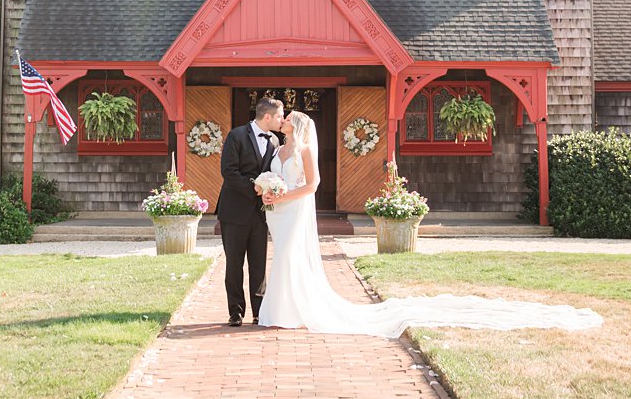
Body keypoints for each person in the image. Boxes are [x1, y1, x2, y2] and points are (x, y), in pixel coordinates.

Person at [256, 110, 604, 338]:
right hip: (280, 213)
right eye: (283, 118)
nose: (283, 119)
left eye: (288, 119)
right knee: (282, 258)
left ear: (297, 127)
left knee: (290, 257)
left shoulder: (303, 151)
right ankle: (280, 309)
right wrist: (269, 191)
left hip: (296, 209)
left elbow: (313, 185)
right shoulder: (278, 149)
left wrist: (283, 196)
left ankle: (291, 311)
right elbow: (274, 176)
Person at [216, 97, 285, 326]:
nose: (281, 120)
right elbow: (229, 172)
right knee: (234, 264)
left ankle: (259, 312)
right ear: (267, 117)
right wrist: (254, 187)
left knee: (258, 264)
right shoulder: (237, 136)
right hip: (234, 211)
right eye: (279, 116)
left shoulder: (275, 140)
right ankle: (235, 312)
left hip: (260, 213)